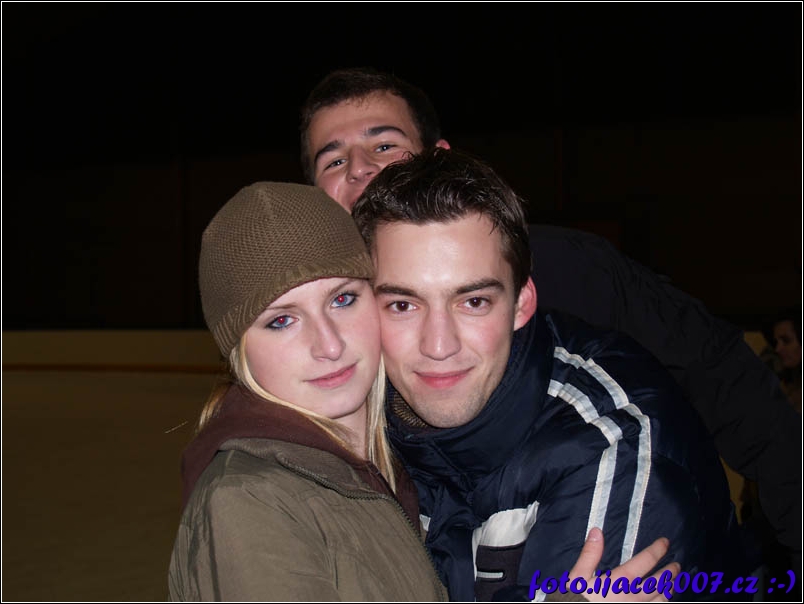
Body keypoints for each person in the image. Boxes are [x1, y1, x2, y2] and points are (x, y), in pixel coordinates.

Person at [298, 66, 802, 573]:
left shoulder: (570, 270)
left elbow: (723, 377)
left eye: (384, 145)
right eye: (334, 159)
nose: (359, 169)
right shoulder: (316, 330)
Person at [167, 181, 674, 602]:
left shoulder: (380, 462)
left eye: (342, 299)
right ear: (239, 351)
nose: (329, 344)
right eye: (281, 321)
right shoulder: (252, 503)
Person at [350, 146, 750, 601]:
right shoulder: (355, 425)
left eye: (474, 302)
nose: (438, 345)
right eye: (403, 305)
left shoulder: (609, 442)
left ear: (521, 304)